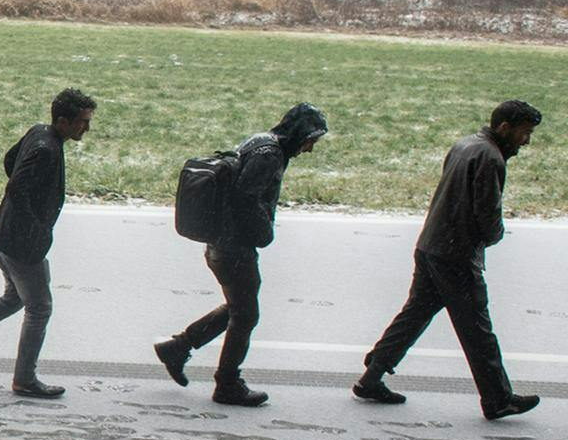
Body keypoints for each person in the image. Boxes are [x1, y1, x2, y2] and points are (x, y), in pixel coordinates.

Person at [353, 100, 543, 420]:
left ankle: (371, 379)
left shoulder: (466, 144)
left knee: (415, 314)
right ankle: (497, 399)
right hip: (455, 254)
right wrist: (493, 236)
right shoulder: (491, 157)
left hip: (430, 246)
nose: (527, 141)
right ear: (505, 128)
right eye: (525, 133)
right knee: (477, 330)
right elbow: (487, 213)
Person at [154, 103, 327, 407]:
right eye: (310, 140)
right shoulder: (270, 154)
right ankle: (227, 384)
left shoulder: (260, 142)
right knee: (246, 315)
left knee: (239, 307)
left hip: (221, 243)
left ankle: (178, 347)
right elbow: (246, 198)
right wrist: (265, 233)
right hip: (234, 247)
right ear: (300, 134)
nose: (310, 148)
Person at [0, 88, 97, 398]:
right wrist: (37, 227)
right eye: (82, 122)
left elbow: (11, 161)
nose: (86, 128)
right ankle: (25, 379)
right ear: (63, 121)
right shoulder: (47, 149)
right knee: (40, 308)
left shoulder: (39, 133)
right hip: (22, 245)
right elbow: (16, 188)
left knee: (14, 297)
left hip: (3, 234)